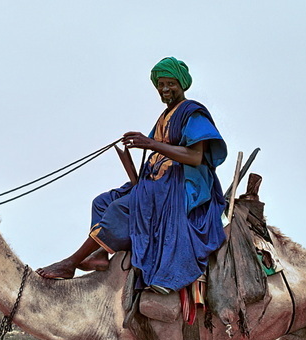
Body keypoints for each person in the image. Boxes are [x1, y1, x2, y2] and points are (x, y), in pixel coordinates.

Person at [37, 57, 228, 294]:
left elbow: (195, 157)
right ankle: (99, 253)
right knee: (102, 201)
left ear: (182, 84)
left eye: (170, 84)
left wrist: (149, 143)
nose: (165, 89)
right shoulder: (166, 115)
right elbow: (157, 149)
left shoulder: (192, 113)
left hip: (182, 185)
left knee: (120, 208)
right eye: (161, 85)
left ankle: (71, 263)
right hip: (159, 180)